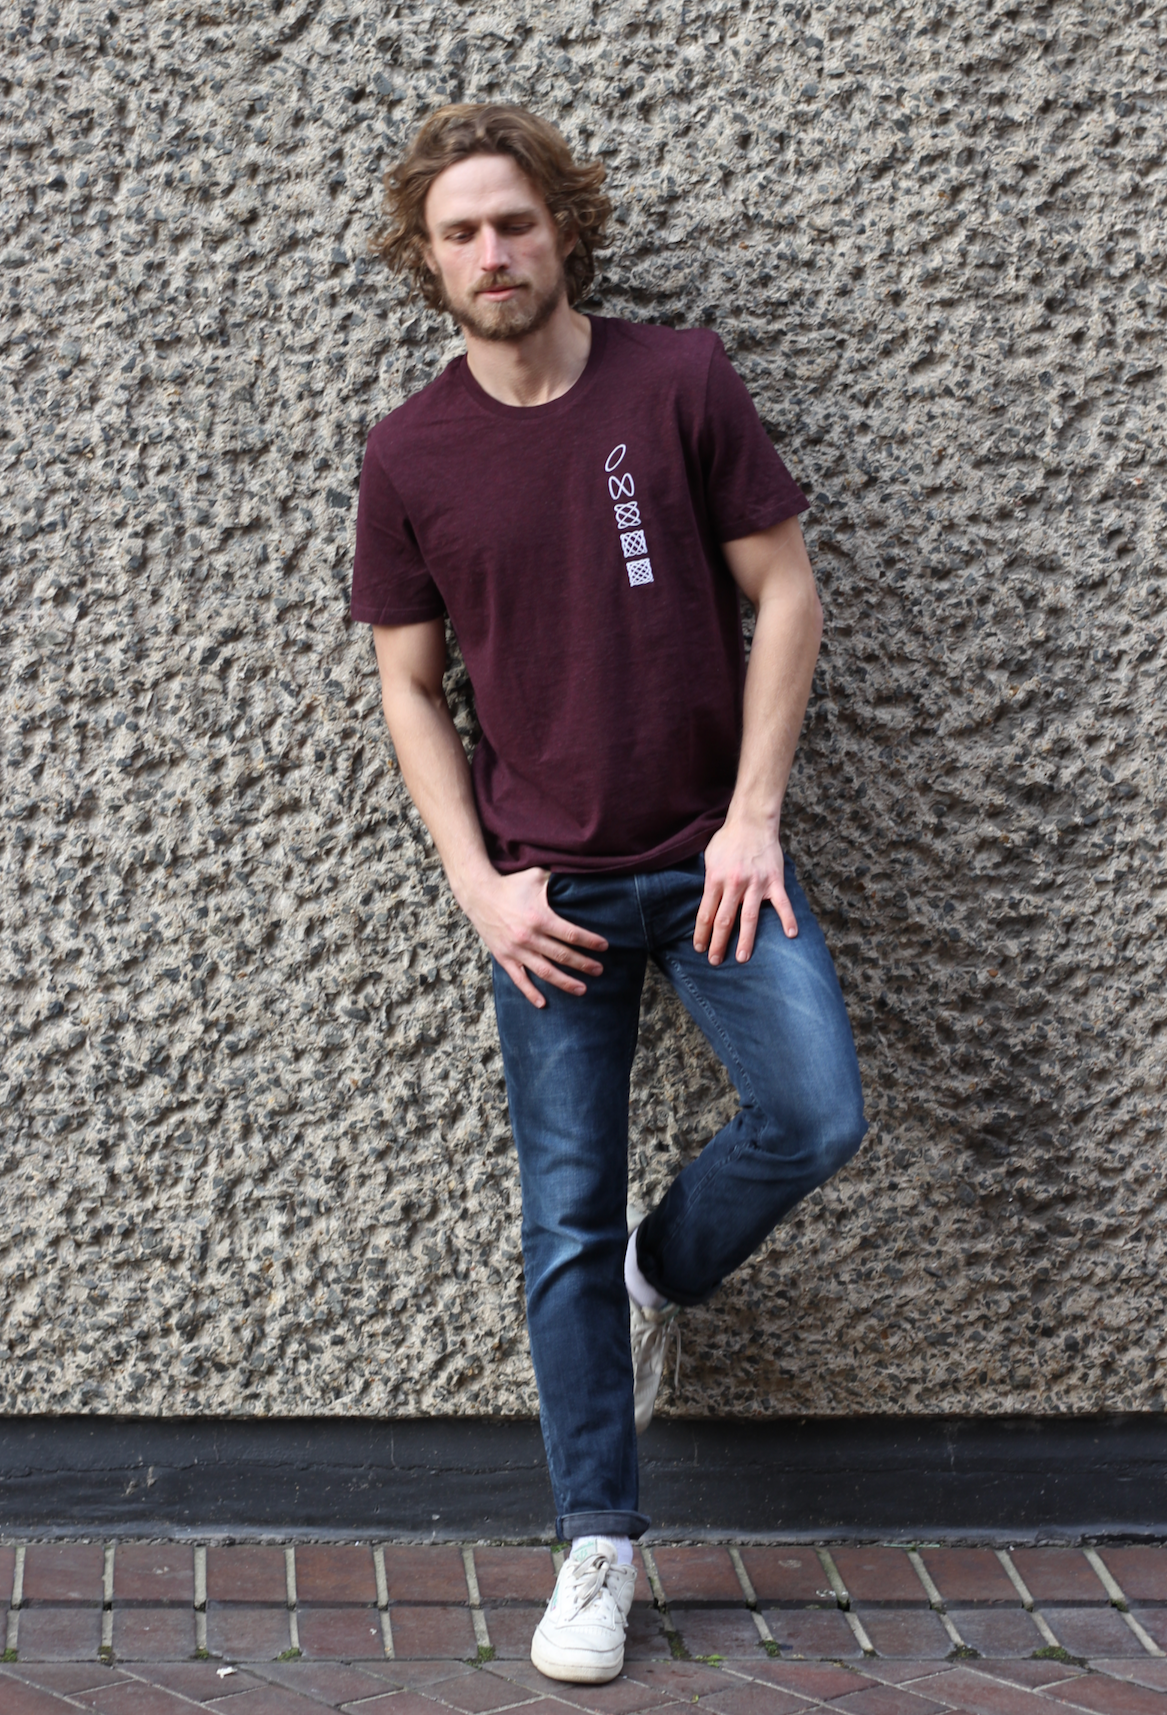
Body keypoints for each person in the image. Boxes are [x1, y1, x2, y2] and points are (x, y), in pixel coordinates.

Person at [352, 102, 868, 1685]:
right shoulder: (411, 452)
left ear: (563, 227)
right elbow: (408, 685)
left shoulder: (678, 381)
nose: (492, 253)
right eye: (461, 232)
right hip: (550, 896)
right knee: (559, 1216)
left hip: (710, 860)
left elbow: (786, 591)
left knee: (816, 1114)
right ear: (428, 259)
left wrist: (753, 820)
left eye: (514, 222)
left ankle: (667, 1269)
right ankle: (599, 1546)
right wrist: (480, 887)